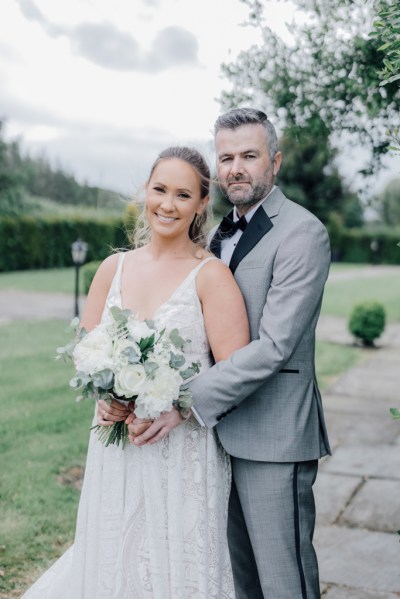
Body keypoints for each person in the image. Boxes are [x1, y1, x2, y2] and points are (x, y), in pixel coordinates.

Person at [120, 108, 332, 599]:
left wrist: (183, 400)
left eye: (249, 156)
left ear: (274, 162)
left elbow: (275, 346)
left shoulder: (303, 233)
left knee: (285, 582)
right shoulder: (216, 234)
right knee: (240, 580)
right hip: (217, 437)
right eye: (227, 157)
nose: (236, 167)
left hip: (274, 435)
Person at [21, 146, 249, 599]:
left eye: (183, 194)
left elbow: (236, 373)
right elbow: (87, 352)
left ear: (202, 203)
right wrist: (105, 395)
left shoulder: (211, 276)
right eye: (159, 189)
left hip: (181, 452)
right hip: (116, 449)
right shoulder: (112, 268)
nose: (167, 204)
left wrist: (178, 410)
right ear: (145, 190)